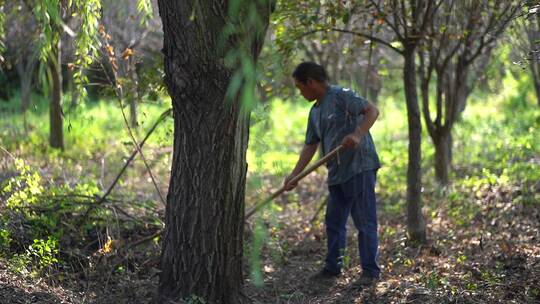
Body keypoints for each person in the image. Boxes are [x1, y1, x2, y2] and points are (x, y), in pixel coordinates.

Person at [284, 61, 381, 286]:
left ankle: (370, 272)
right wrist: (294, 175)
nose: (300, 93)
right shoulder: (315, 111)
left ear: (311, 82)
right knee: (334, 222)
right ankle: (332, 268)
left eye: (300, 87)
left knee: (364, 222)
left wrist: (357, 134)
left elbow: (372, 111)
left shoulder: (341, 95)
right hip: (337, 172)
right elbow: (311, 145)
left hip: (359, 167)